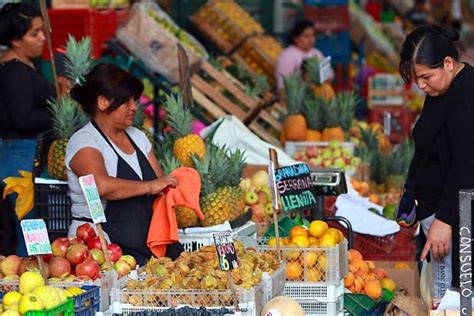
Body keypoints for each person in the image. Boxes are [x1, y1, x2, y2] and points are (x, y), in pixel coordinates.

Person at [66, 63, 181, 265]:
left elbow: (161, 184)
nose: (134, 107)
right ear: (102, 102)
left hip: (148, 248)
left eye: (134, 100)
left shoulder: (138, 137)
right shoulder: (84, 141)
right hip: (101, 249)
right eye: (125, 101)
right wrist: (149, 186)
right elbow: (100, 185)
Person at [399, 24, 474, 307]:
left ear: (448, 63)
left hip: (459, 221)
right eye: (417, 78)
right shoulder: (442, 91)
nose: (421, 85)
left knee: (456, 300)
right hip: (440, 215)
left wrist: (444, 219)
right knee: (442, 299)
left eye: (426, 76)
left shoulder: (467, 94)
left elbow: (467, 164)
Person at [0, 3, 54, 256]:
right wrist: (58, 110)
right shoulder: (15, 73)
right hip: (21, 158)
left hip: (25, 154)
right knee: (27, 221)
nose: (43, 38)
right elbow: (22, 118)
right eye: (35, 34)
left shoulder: (24, 65)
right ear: (15, 40)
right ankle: (29, 272)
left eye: (42, 31)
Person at [275, 20, 333, 100]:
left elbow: (329, 75)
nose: (311, 39)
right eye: (306, 36)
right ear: (295, 38)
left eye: (313, 35)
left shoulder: (316, 52)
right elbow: (283, 88)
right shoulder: (287, 56)